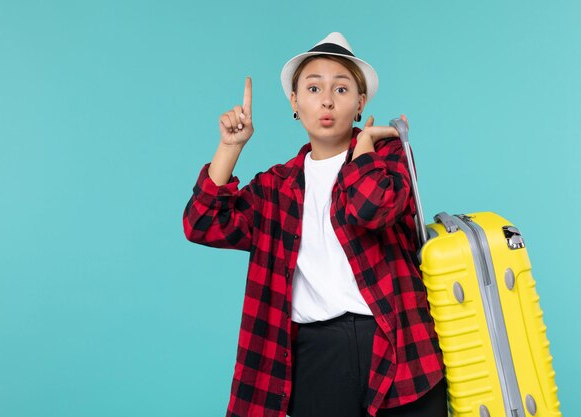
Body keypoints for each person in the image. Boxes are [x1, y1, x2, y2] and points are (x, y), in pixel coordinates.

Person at [183, 32, 448, 417]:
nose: (327, 99)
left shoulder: (388, 156)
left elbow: (371, 208)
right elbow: (202, 223)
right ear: (295, 102)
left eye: (341, 89)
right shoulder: (276, 188)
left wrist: (364, 149)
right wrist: (230, 148)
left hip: (398, 346)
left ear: (360, 104)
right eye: (313, 88)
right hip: (317, 356)